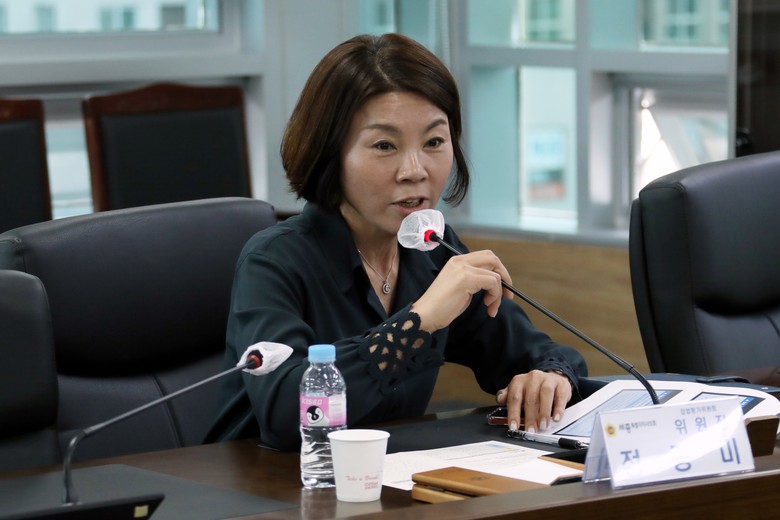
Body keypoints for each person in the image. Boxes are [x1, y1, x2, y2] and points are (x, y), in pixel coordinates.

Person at [206, 33, 587, 451]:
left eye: (434, 142)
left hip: (378, 479)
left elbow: (538, 353)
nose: (415, 170)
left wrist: (550, 378)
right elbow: (288, 415)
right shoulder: (273, 260)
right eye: (385, 145)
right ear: (330, 153)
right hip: (259, 484)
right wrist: (419, 321)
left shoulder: (433, 252)